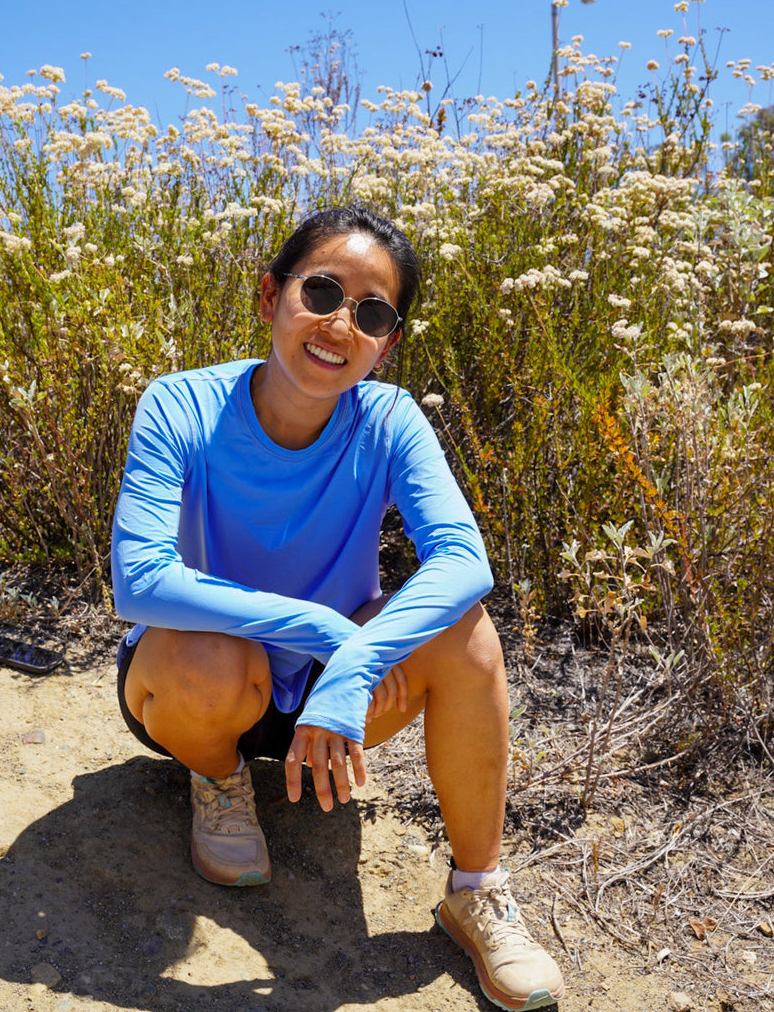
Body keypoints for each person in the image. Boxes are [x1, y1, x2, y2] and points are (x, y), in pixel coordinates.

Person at [111, 204, 566, 1011]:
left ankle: (477, 891)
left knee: (466, 635)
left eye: (372, 312)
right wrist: (337, 638)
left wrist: (359, 656)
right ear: (269, 298)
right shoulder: (179, 404)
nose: (338, 324)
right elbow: (140, 582)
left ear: (387, 343)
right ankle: (218, 778)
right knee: (208, 650)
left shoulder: (388, 420)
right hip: (198, 686)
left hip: (338, 697)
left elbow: (464, 561)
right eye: (320, 291)